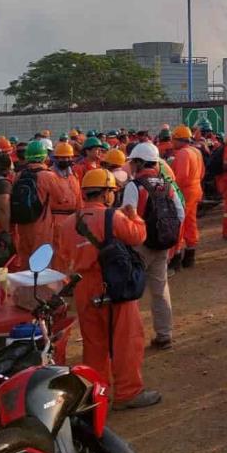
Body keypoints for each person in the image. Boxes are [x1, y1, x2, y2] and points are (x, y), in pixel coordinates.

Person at [55, 168, 160, 409]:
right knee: (126, 341)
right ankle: (128, 393)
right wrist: (134, 216)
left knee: (93, 344)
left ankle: (96, 395)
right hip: (113, 284)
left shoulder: (69, 223)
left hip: (84, 288)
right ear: (106, 194)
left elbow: (64, 256)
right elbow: (138, 236)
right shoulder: (113, 217)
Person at [124, 143, 184, 350]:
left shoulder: (135, 186)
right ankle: (164, 334)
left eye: (133, 162)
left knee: (131, 292)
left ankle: (131, 338)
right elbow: (180, 214)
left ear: (139, 162)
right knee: (160, 290)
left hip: (139, 244)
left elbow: (127, 218)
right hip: (162, 244)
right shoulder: (166, 185)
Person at [13, 140, 73, 268]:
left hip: (22, 225)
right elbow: (62, 198)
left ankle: (27, 288)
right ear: (45, 157)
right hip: (42, 224)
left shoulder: (18, 175)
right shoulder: (48, 176)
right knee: (41, 265)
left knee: (25, 261)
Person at [168, 125, 205, 265]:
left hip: (185, 191)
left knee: (179, 222)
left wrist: (171, 190)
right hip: (195, 189)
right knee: (190, 221)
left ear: (178, 139)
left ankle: (176, 256)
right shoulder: (196, 151)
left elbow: (182, 177)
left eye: (173, 139)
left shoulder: (183, 154)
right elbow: (202, 173)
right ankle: (190, 254)